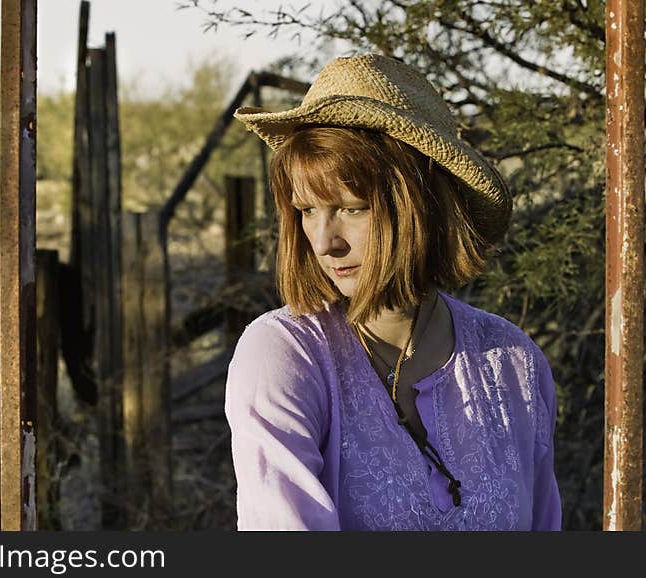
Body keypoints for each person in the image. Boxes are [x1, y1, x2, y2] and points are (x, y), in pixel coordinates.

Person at [225, 54, 561, 531]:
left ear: (421, 206)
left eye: (353, 208)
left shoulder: (512, 364)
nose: (323, 242)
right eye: (306, 210)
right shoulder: (285, 356)